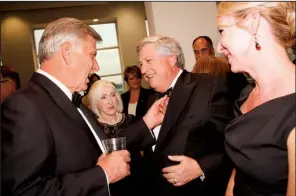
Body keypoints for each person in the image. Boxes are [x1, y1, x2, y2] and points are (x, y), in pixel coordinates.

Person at [1, 17, 166, 196]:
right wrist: (102, 174)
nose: (96, 66)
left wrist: (147, 122)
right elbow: (24, 191)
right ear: (67, 52)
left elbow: (104, 145)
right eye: (92, 55)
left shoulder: (69, 100)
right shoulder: (24, 106)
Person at [136, 35, 234, 196]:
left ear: (172, 59)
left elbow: (233, 142)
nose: (143, 70)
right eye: (141, 64)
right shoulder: (151, 99)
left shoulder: (209, 86)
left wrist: (201, 167)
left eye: (148, 61)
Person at [216, 2, 295, 196]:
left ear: (253, 22)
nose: (218, 47)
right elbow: (239, 172)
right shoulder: (246, 93)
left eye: (222, 31)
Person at [88, 80, 145, 196]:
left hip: (139, 183)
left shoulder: (132, 121)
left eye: (112, 95)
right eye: (103, 97)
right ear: (95, 102)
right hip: (111, 188)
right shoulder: (93, 128)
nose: (110, 101)